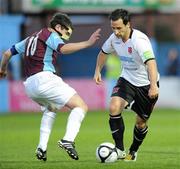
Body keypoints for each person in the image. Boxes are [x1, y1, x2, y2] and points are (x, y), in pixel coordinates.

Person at [0, 13, 101, 161]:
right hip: (44, 79)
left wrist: (2, 70)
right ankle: (68, 139)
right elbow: (63, 49)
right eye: (66, 32)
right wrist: (87, 43)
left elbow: (8, 53)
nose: (66, 36)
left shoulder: (30, 38)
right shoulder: (49, 34)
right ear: (58, 27)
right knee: (81, 106)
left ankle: (41, 148)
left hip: (30, 86)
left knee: (51, 108)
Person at [93, 9, 159, 161]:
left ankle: (133, 151)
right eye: (113, 28)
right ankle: (119, 150)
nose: (116, 32)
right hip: (127, 79)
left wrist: (154, 86)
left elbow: (151, 63)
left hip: (146, 84)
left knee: (141, 123)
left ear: (128, 24)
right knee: (114, 107)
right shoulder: (113, 38)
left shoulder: (139, 41)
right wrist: (97, 70)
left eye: (119, 28)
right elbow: (103, 52)